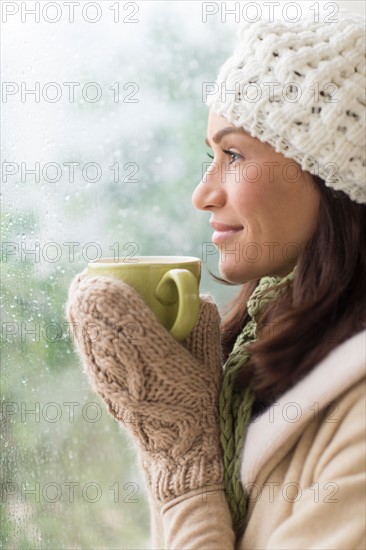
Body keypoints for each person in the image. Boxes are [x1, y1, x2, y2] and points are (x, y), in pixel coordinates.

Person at [66, 10, 366, 550]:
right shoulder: (258, 366)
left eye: (233, 154)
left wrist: (180, 461)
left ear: (332, 175)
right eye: (212, 156)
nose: (203, 194)